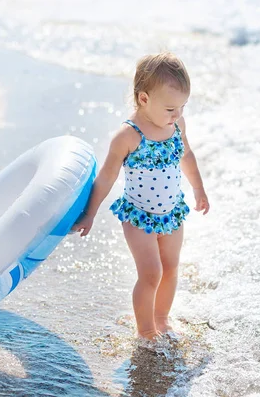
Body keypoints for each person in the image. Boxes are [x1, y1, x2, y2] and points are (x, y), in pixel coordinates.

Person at [71, 52, 210, 341]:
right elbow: (107, 177)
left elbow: (187, 155)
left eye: (183, 107)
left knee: (171, 268)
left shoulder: (176, 125)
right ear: (144, 99)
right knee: (151, 273)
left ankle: (162, 319)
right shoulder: (128, 136)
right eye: (171, 108)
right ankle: (145, 330)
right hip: (139, 217)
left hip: (172, 213)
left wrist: (198, 188)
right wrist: (90, 212)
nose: (178, 115)